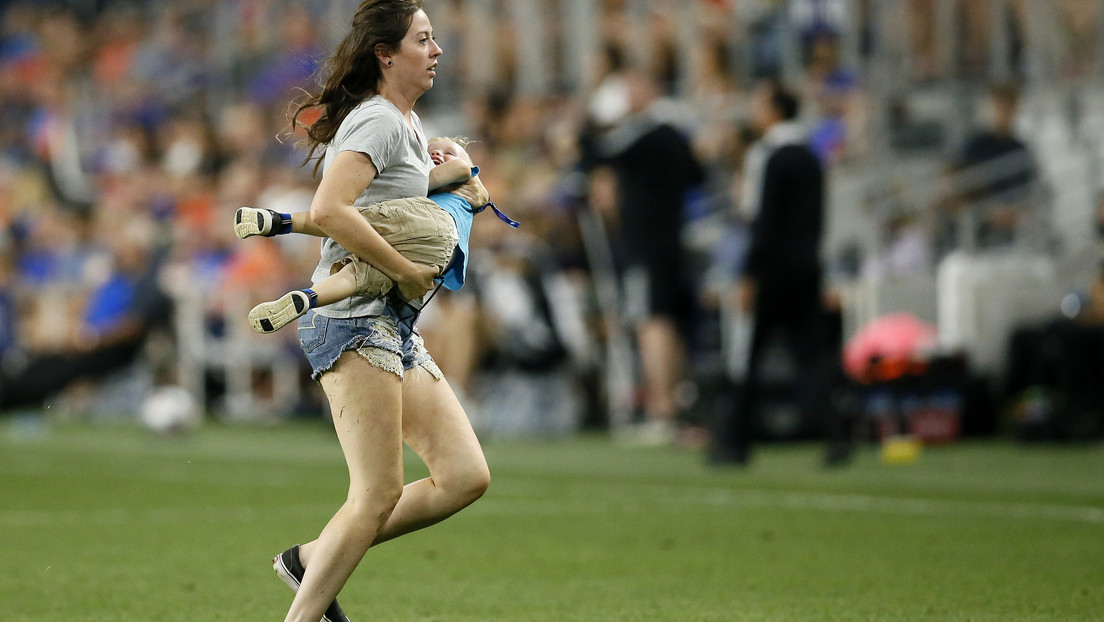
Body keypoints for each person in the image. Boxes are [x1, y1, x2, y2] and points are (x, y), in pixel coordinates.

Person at [257, 3, 492, 621]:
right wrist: (408, 269)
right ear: (387, 54)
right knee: (379, 491)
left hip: (391, 322)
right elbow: (331, 209)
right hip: (354, 319)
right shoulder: (379, 122)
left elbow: (396, 204)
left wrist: (458, 173)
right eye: (423, 39)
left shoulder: (409, 126)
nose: (437, 49)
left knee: (465, 475)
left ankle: (311, 561)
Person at [237, 136, 517, 334]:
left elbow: (433, 178)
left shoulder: (464, 172)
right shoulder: (468, 201)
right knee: (363, 275)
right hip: (437, 254)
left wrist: (407, 177)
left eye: (448, 151)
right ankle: (308, 298)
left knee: (346, 218)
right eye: (431, 151)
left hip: (431, 220)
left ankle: (281, 222)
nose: (439, 155)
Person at [710, 79, 850, 467]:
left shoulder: (766, 155)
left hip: (771, 273)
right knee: (811, 357)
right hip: (806, 268)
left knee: (748, 356)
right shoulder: (810, 155)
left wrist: (749, 275)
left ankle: (734, 443)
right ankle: (837, 435)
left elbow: (762, 222)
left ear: (773, 109)